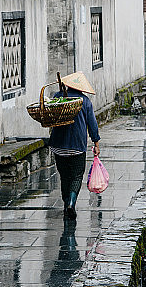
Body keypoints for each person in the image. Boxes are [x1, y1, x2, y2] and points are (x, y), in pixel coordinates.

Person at [48, 71, 101, 220]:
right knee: (76, 176)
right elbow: (92, 125)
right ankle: (71, 203)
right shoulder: (85, 101)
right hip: (77, 146)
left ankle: (66, 205)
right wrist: (96, 143)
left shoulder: (58, 97)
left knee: (64, 176)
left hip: (58, 144)